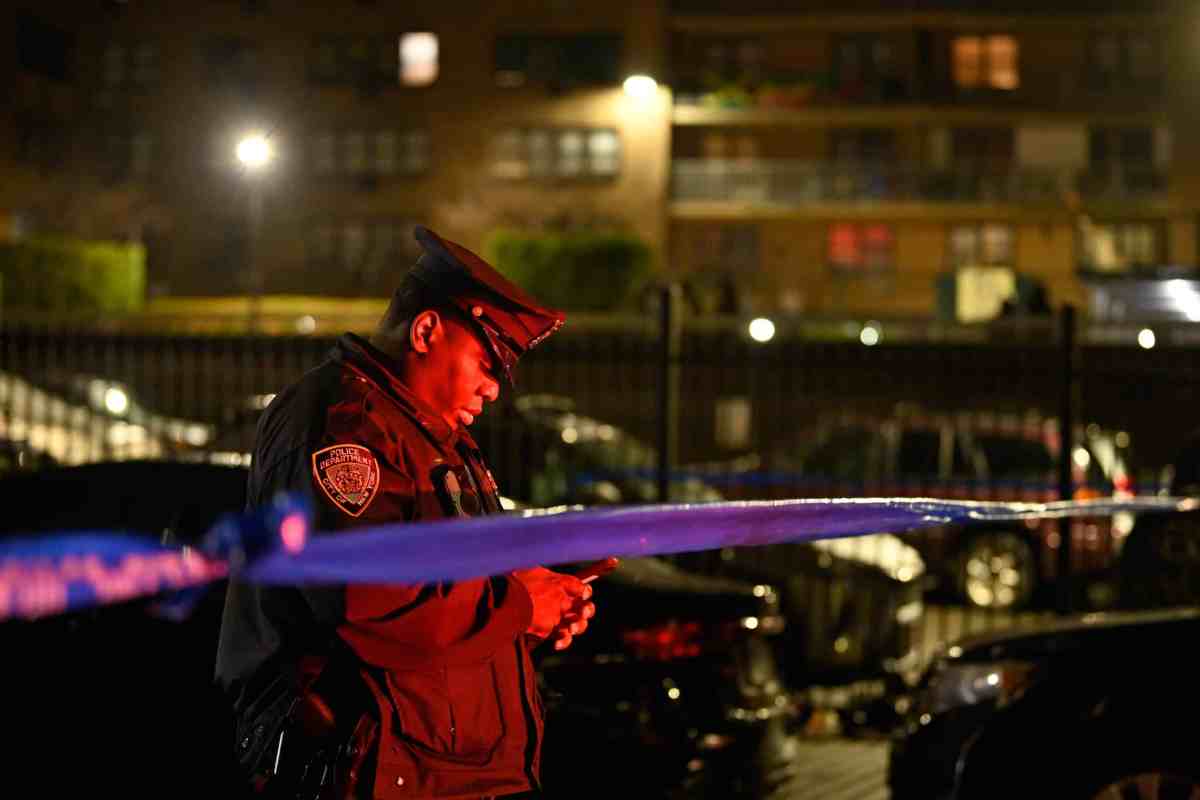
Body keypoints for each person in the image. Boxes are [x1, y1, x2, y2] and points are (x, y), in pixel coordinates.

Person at [216, 226, 597, 800]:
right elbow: (368, 599)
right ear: (426, 331)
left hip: (439, 771)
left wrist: (536, 607)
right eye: (488, 363)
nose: (495, 390)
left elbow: (446, 603)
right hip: (375, 773)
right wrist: (517, 605)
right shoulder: (347, 427)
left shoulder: (429, 434)